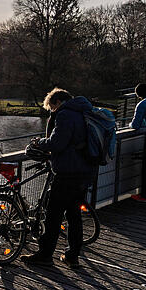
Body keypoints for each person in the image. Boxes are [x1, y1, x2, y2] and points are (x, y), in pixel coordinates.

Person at [21, 88, 94, 269]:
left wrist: (39, 142)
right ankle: (72, 256)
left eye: (52, 108)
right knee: (74, 215)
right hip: (84, 170)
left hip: (67, 172)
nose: (52, 111)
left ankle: (45, 255)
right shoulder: (83, 111)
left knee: (53, 215)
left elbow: (57, 143)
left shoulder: (65, 114)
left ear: (58, 102)